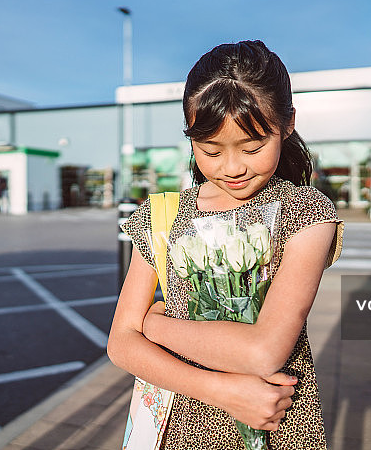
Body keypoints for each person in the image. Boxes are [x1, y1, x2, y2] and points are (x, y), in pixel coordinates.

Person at [107, 40, 344, 449]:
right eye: (211, 150)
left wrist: (154, 325)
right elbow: (120, 344)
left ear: (288, 123)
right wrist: (221, 391)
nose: (233, 168)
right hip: (179, 431)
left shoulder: (304, 212)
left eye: (252, 147)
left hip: (276, 424)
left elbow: (263, 353)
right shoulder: (162, 216)